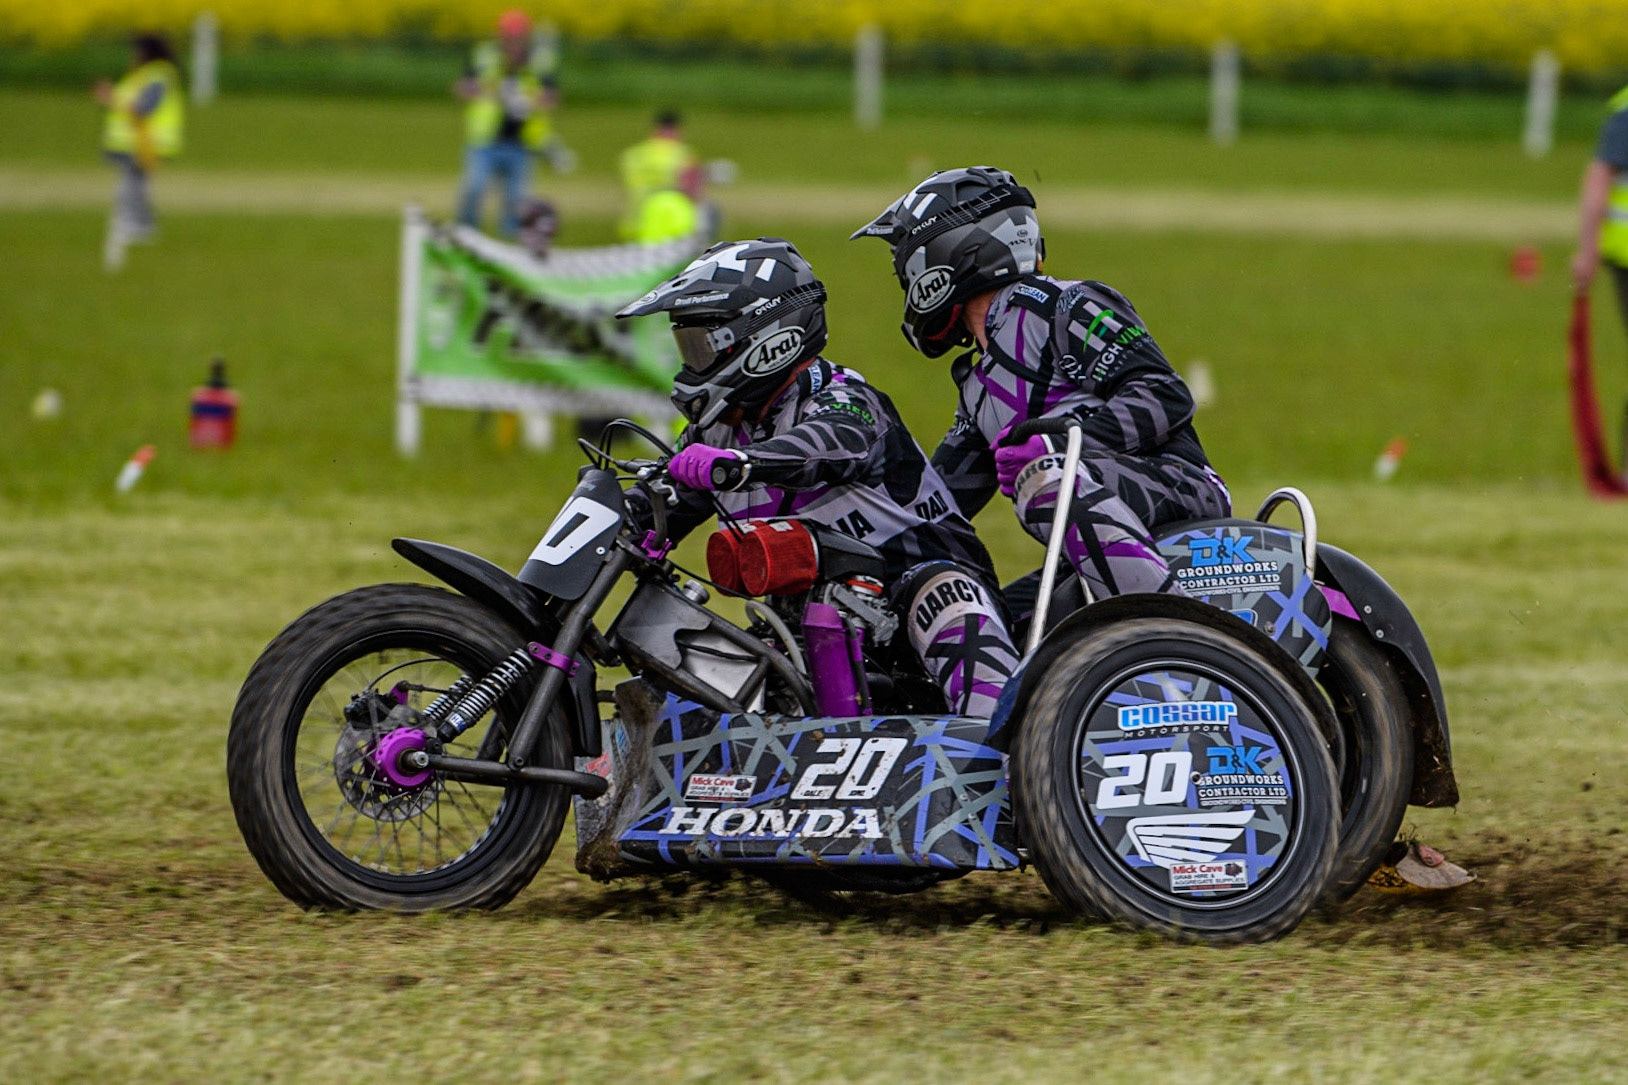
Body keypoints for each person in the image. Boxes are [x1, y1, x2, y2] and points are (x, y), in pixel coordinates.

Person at [615, 238, 1019, 722]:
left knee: (944, 597)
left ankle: (1004, 751)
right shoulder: (720, 428)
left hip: (918, 599)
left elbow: (831, 442)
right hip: (812, 627)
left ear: (771, 338)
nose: (691, 361)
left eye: (703, 344)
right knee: (709, 663)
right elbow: (654, 505)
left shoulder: (846, 398)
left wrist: (739, 462)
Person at [851, 166, 1230, 605]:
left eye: (905, 262)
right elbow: (938, 505)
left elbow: (1164, 395)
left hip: (1179, 489)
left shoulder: (1067, 305)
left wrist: (1064, 446)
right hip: (1089, 534)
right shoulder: (978, 385)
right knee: (993, 622)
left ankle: (1172, 630)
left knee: (1043, 477)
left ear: (946, 251)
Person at [456, 9, 558, 238]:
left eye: (518, 38)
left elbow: (553, 98)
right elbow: (461, 89)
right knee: (474, 189)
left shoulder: (538, 62)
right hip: (485, 140)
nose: (513, 43)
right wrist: (492, 92)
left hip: (521, 142)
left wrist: (528, 100)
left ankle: (513, 246)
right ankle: (465, 236)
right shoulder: (484, 56)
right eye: (509, 38)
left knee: (517, 200)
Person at [94, 33, 184, 273]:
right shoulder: (145, 76)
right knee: (134, 186)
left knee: (129, 188)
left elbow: (144, 107)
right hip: (137, 142)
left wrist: (110, 98)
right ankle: (138, 228)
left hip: (145, 142)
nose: (132, 55)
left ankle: (136, 227)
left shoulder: (156, 76)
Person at [619, 111, 703, 245]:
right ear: (676, 129)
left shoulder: (633, 155)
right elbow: (692, 189)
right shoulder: (682, 154)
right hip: (673, 220)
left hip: (638, 221)